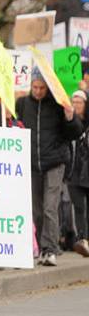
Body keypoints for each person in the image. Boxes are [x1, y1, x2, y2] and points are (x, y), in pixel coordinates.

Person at [16, 69, 83, 266]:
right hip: (33, 163)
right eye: (35, 87)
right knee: (37, 210)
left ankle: (50, 248)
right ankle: (42, 247)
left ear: (48, 88)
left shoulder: (57, 105)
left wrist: (70, 117)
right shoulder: (23, 104)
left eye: (42, 88)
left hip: (55, 162)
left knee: (50, 207)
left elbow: (74, 133)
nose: (38, 91)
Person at [66, 90, 89, 258]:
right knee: (78, 207)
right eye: (73, 102)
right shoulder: (69, 123)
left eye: (79, 102)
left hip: (86, 171)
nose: (76, 105)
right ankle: (83, 239)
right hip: (73, 170)